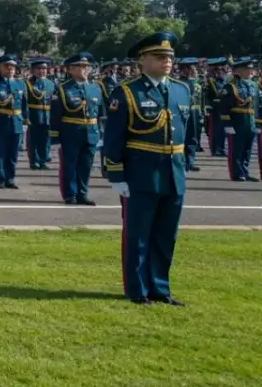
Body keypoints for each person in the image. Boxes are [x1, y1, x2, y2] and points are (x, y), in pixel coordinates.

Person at [104, 31, 196, 306]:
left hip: (173, 171)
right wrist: (116, 174)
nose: (166, 61)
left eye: (169, 57)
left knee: (166, 234)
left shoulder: (181, 89)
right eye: (159, 56)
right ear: (142, 60)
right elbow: (114, 137)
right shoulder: (128, 91)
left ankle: (160, 288)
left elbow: (190, 130)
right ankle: (138, 289)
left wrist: (187, 162)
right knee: (138, 234)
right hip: (141, 173)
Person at [51, 52, 102, 205]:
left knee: (86, 166)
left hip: (91, 132)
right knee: (70, 165)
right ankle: (70, 194)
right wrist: (55, 138)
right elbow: (55, 115)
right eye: (80, 66)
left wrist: (101, 135)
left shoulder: (96, 89)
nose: (84, 69)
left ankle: (82, 194)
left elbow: (101, 114)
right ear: (70, 70)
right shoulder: (62, 89)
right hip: (71, 132)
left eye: (86, 66)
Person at [0, 54, 27, 189]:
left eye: (12, 66)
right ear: (0, 68)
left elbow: (24, 105)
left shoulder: (20, 84)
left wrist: (25, 121)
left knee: (13, 154)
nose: (10, 68)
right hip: (0, 122)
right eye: (7, 66)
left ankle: (10, 178)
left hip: (16, 122)